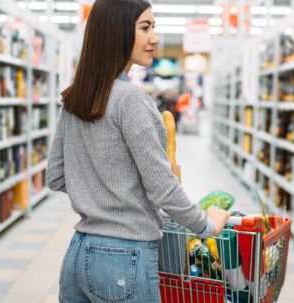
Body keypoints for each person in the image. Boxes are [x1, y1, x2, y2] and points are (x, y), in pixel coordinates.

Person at [46, 1, 231, 302]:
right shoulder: (131, 99)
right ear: (116, 32)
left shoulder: (74, 98)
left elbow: (56, 176)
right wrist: (207, 225)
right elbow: (162, 188)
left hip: (78, 255)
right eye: (145, 27)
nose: (155, 38)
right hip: (124, 259)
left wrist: (99, 195)